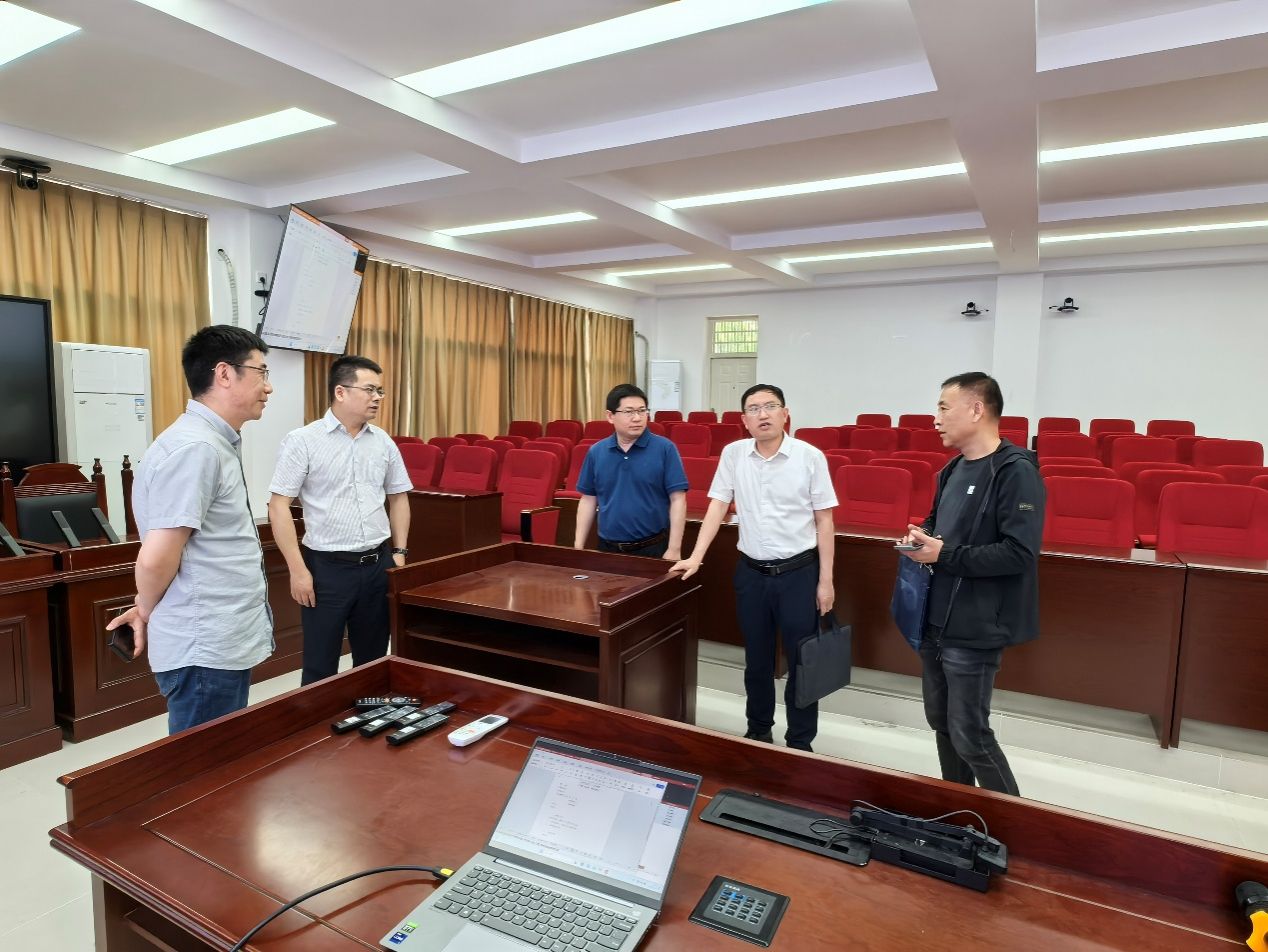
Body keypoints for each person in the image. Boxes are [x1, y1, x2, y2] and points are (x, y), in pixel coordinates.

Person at [105, 325, 275, 734]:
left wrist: (145, 605)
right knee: (205, 765)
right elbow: (157, 557)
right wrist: (145, 608)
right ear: (224, 373)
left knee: (217, 759)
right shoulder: (196, 448)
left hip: (217, 641)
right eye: (261, 372)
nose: (268, 387)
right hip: (205, 647)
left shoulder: (211, 442)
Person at [899, 372, 1044, 796]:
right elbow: (937, 523)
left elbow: (1019, 553)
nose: (936, 418)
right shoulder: (951, 469)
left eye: (944, 408)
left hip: (975, 627)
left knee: (971, 735)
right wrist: (922, 536)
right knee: (942, 723)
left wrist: (943, 554)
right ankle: (959, 813)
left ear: (977, 409)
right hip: (935, 621)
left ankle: (1015, 823)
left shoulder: (1015, 472)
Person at [670, 384, 836, 752]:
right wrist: (696, 556)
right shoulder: (734, 454)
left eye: (770, 406)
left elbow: (824, 521)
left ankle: (800, 742)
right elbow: (717, 506)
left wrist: (826, 581)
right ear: (744, 420)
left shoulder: (809, 457)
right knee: (756, 660)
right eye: (754, 409)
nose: (763, 414)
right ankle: (759, 730)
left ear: (785, 413)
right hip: (751, 574)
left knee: (803, 663)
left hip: (799, 574)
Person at [267, 355, 412, 685]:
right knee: (320, 666)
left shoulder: (383, 441)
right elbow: (278, 506)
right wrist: (297, 570)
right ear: (341, 392)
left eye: (380, 391)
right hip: (327, 570)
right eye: (370, 389)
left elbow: (399, 496)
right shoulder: (303, 440)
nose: (377, 397)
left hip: (378, 565)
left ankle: (370, 716)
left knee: (374, 662)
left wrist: (400, 552)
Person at [574, 384, 688, 559]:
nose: (637, 418)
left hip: (653, 547)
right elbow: (588, 499)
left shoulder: (665, 449)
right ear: (610, 416)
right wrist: (578, 546)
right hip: (607, 548)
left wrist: (674, 549)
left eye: (642, 411)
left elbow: (678, 499)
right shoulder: (596, 451)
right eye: (629, 412)